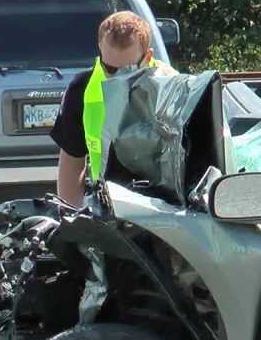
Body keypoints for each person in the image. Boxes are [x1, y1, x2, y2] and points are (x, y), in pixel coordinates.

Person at [50, 11, 177, 207]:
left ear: (148, 56)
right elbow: (71, 164)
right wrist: (71, 219)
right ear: (100, 51)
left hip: (165, 208)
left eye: (127, 70)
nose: (117, 77)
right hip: (108, 205)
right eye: (109, 68)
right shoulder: (82, 89)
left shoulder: (172, 86)